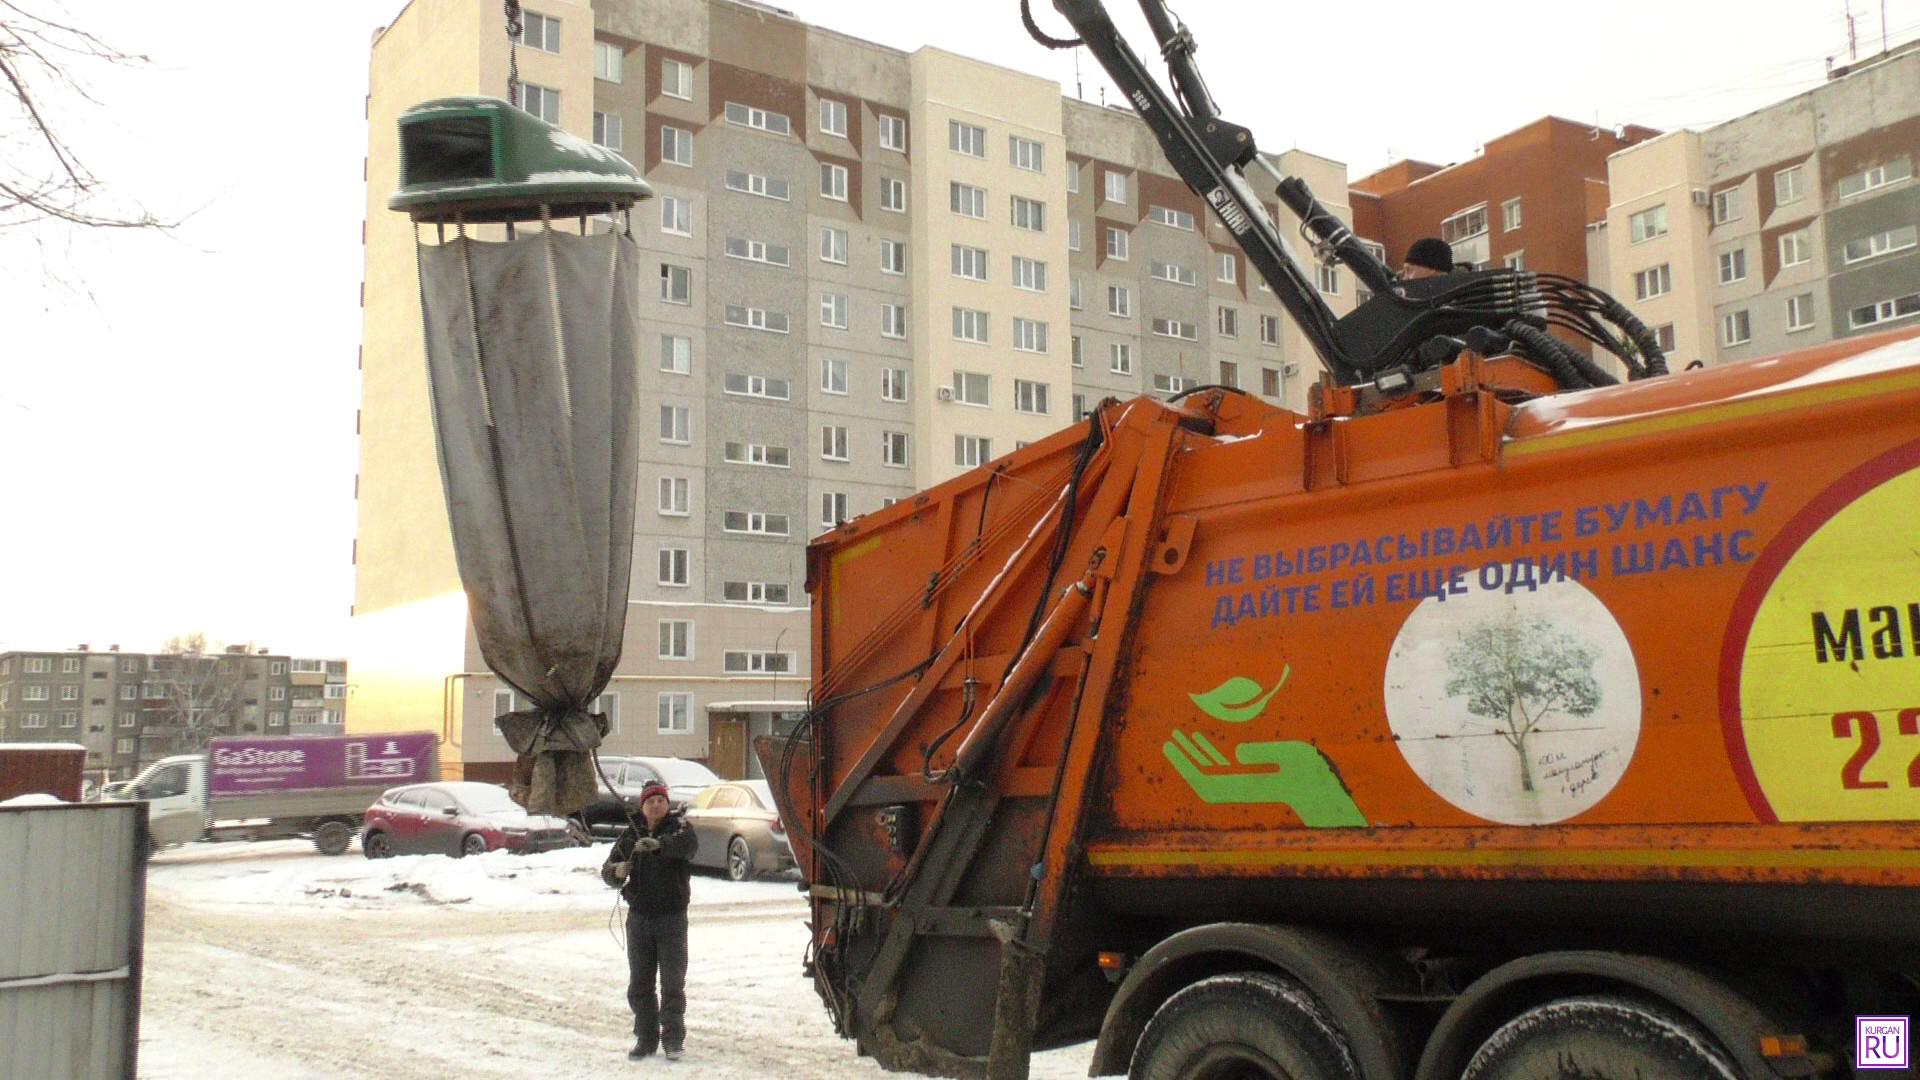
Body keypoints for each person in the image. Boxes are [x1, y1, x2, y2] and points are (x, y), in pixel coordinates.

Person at [601, 781, 697, 1061]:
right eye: (650, 802)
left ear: (667, 805)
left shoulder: (679, 828)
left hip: (672, 919)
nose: (656, 805)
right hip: (639, 919)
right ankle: (646, 1038)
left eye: (660, 801)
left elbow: (687, 847)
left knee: (672, 984)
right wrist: (617, 871)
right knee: (640, 984)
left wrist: (658, 846)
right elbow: (607, 871)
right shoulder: (631, 835)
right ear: (642, 807)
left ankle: (673, 1039)